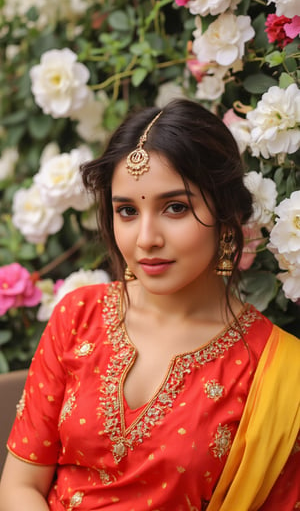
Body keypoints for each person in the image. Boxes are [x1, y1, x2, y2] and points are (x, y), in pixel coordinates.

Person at [0, 98, 299, 511]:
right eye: (126, 210)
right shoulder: (78, 316)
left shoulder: (274, 370)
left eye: (174, 208)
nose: (145, 238)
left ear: (226, 213)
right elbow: (20, 487)